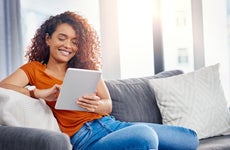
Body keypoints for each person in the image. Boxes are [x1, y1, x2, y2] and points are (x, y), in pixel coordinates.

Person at [0, 11, 199, 150]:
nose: (67, 45)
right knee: (145, 136)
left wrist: (96, 105)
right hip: (84, 139)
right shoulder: (34, 69)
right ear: (47, 39)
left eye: (74, 42)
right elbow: (3, 87)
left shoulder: (86, 69)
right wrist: (38, 93)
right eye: (62, 38)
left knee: (190, 139)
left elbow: (108, 105)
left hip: (112, 126)